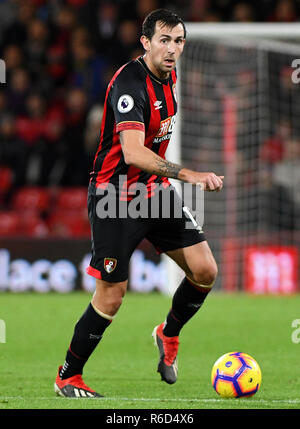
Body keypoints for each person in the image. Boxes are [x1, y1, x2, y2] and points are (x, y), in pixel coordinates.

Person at [54, 8, 224, 398]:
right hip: (115, 196)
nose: (172, 48)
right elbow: (132, 152)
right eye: (164, 40)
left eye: (178, 41)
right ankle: (68, 376)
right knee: (112, 295)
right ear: (145, 42)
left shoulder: (170, 77)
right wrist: (189, 175)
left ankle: (168, 333)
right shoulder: (130, 84)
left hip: (154, 193)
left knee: (205, 270)